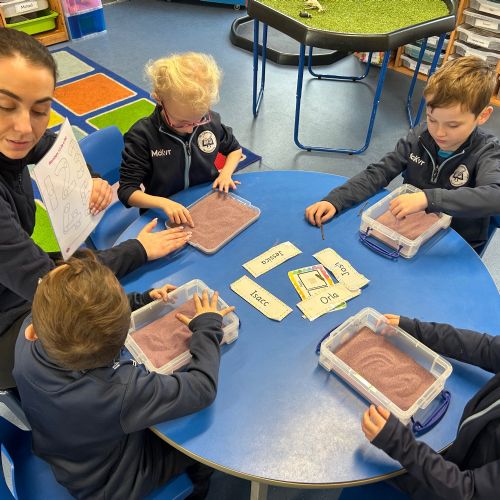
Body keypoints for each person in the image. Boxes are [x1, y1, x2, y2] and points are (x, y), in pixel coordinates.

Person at [0, 28, 190, 389]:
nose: (24, 127)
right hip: (8, 322)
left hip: (17, 282)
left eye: (40, 110)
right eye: (5, 106)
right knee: (101, 344)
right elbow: (60, 290)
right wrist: (138, 250)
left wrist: (89, 178)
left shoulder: (16, 141)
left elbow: (49, 143)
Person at [14, 252, 234, 500]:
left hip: (67, 455)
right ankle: (199, 490)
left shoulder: (28, 337)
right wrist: (207, 326)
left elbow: (75, 315)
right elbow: (202, 389)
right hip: (112, 485)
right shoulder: (121, 390)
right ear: (124, 337)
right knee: (198, 447)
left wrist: (142, 300)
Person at [305, 56, 500, 249]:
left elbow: (495, 195)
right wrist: (336, 200)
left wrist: (427, 199)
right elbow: (379, 173)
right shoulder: (419, 137)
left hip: (456, 243)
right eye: (432, 119)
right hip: (409, 232)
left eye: (453, 125)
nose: (439, 133)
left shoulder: (487, 150)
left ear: (483, 115)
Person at [362, 314, 500, 499]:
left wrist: (397, 442)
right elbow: (484, 347)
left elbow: (468, 491)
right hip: (463, 449)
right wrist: (416, 330)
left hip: (452, 485)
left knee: (370, 469)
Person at [118, 52, 243, 227]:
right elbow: (127, 191)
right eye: (182, 123)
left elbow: (235, 149)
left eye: (198, 120)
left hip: (206, 202)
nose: (191, 129)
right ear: (159, 99)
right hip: (163, 213)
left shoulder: (210, 122)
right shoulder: (141, 136)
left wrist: (226, 174)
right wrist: (163, 203)